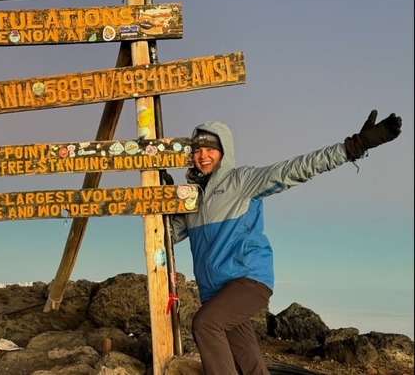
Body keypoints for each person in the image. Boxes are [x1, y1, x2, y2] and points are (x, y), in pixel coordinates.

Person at [167, 111, 402, 375]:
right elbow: (167, 236)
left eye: (211, 148)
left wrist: (352, 148)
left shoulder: (241, 181)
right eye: (197, 149)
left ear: (224, 151)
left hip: (247, 280)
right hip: (215, 293)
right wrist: (162, 200)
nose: (203, 156)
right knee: (248, 360)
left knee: (206, 324)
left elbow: (294, 169)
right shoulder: (192, 200)